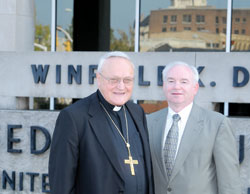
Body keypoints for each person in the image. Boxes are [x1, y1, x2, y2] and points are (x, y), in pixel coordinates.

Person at [49, 51, 154, 194]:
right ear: (99, 78)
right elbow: (61, 185)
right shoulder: (74, 117)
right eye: (114, 80)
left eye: (127, 80)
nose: (121, 86)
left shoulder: (137, 113)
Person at [147, 61, 241, 194]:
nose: (176, 86)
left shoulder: (217, 124)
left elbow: (230, 183)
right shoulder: (148, 122)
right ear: (164, 86)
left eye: (184, 82)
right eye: (171, 81)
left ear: (195, 88)